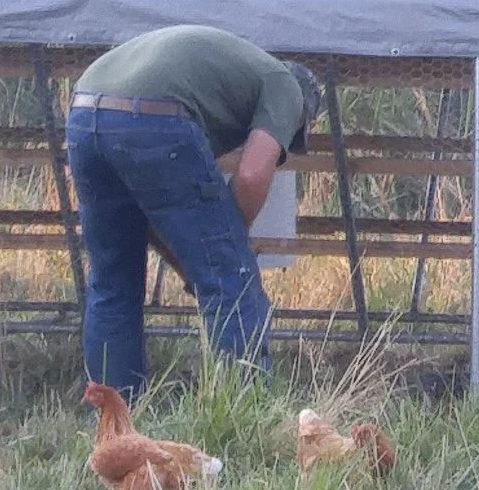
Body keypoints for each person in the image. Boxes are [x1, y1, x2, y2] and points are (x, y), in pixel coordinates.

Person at [65, 24, 318, 398]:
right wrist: (224, 252)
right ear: (305, 112)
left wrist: (193, 264)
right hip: (154, 115)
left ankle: (114, 426)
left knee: (112, 281)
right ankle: (245, 414)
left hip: (84, 115)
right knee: (233, 277)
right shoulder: (287, 84)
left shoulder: (221, 79)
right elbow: (250, 177)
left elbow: (154, 215)